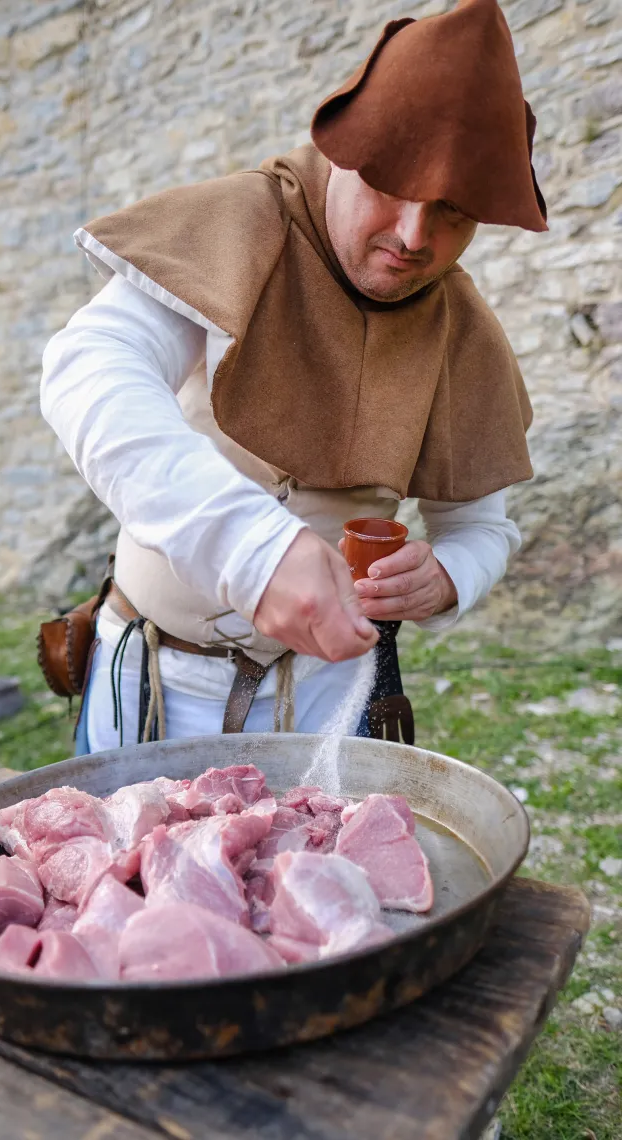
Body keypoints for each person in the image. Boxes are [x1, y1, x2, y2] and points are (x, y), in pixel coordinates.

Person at [40, 0, 546, 753]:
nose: (414, 237)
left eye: (452, 211)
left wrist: (446, 576)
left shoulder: (462, 330)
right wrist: (252, 549)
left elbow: (479, 526)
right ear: (344, 152)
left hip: (330, 697)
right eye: (391, 188)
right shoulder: (234, 228)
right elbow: (89, 367)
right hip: (154, 682)